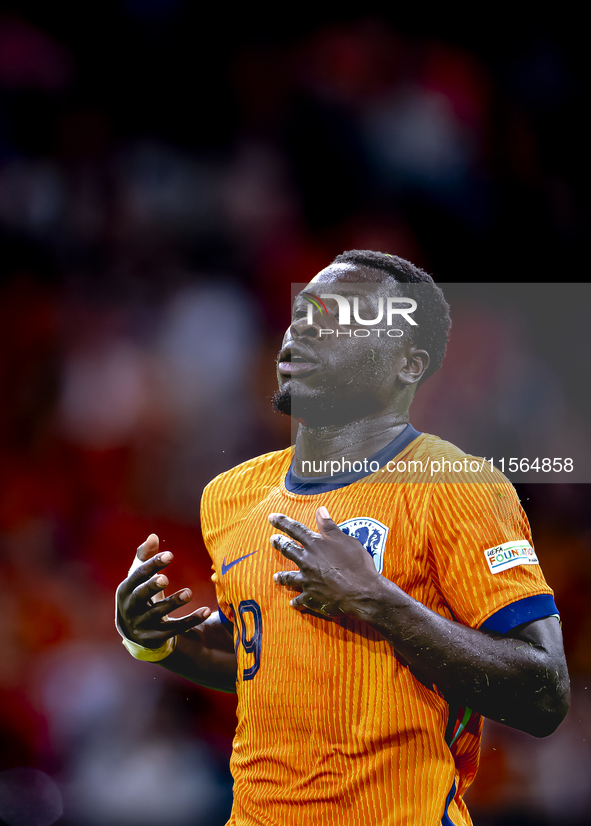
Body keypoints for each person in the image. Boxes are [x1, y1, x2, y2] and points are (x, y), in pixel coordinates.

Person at [116, 250, 569, 826]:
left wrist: (377, 600)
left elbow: (544, 691)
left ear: (407, 364)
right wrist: (152, 638)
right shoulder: (229, 496)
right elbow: (259, 657)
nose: (303, 326)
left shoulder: (456, 486)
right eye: (301, 312)